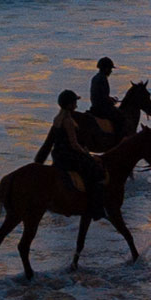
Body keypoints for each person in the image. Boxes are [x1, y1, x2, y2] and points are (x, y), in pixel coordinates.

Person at [35, 89, 106, 221]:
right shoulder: (68, 121)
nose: (76, 106)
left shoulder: (57, 118)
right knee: (96, 172)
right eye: (74, 103)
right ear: (69, 105)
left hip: (59, 155)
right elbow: (74, 144)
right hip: (69, 156)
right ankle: (95, 208)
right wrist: (87, 154)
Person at [89, 56, 119, 127]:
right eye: (110, 69)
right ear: (106, 68)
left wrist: (110, 98)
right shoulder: (103, 78)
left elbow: (100, 94)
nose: (111, 71)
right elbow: (103, 97)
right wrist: (111, 101)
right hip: (102, 108)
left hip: (95, 106)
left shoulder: (95, 77)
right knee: (120, 118)